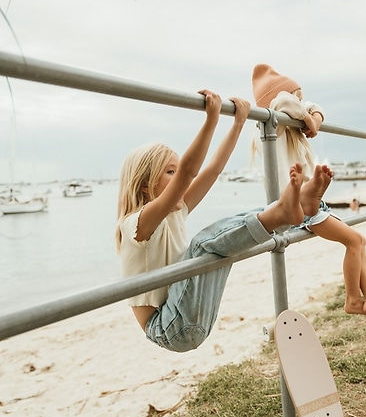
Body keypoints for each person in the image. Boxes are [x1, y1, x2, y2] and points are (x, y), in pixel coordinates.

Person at [116, 89, 333, 353]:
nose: (178, 179)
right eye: (169, 172)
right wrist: (212, 118)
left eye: (175, 170)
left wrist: (238, 123)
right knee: (203, 246)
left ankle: (300, 209)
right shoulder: (136, 225)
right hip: (167, 326)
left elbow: (213, 170)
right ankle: (283, 212)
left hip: (191, 315)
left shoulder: (176, 211)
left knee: (223, 241)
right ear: (144, 187)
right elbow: (189, 172)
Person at [251, 63, 366, 323]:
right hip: (294, 206)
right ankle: (355, 300)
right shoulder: (272, 129)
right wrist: (306, 117)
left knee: (358, 239)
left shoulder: (288, 128)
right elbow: (282, 100)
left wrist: (312, 118)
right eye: (298, 99)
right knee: (355, 241)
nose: (301, 104)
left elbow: (315, 106)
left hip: (310, 205)